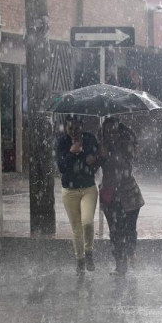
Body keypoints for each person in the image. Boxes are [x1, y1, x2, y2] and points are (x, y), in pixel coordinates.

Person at [98, 116, 144, 276]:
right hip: (109, 194)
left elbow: (124, 164)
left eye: (113, 131)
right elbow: (98, 164)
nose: (110, 134)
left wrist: (108, 153)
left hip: (128, 195)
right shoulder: (103, 143)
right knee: (115, 232)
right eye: (107, 132)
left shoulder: (126, 142)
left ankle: (131, 252)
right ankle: (120, 265)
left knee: (129, 230)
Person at [55, 115, 100, 274]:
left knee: (87, 222)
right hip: (70, 190)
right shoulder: (62, 142)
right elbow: (61, 166)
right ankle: (80, 260)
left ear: (82, 126)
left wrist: (93, 160)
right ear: (66, 128)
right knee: (76, 228)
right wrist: (72, 153)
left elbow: (98, 157)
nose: (73, 132)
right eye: (70, 128)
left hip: (88, 188)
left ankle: (89, 252)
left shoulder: (90, 139)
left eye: (76, 128)